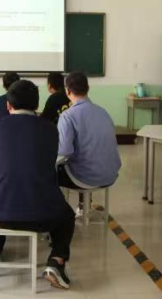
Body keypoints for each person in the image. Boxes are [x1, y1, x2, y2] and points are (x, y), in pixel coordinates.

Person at [0, 79, 76, 290]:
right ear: (37, 104)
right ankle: (57, 261)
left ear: (8, 105)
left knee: (4, 193)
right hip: (43, 216)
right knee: (67, 215)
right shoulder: (50, 129)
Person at [57, 71, 122, 217]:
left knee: (51, 172)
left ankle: (60, 215)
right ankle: (83, 206)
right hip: (110, 174)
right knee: (84, 158)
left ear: (67, 91)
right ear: (88, 88)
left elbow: (64, 151)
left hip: (85, 178)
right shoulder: (103, 112)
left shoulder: (68, 116)